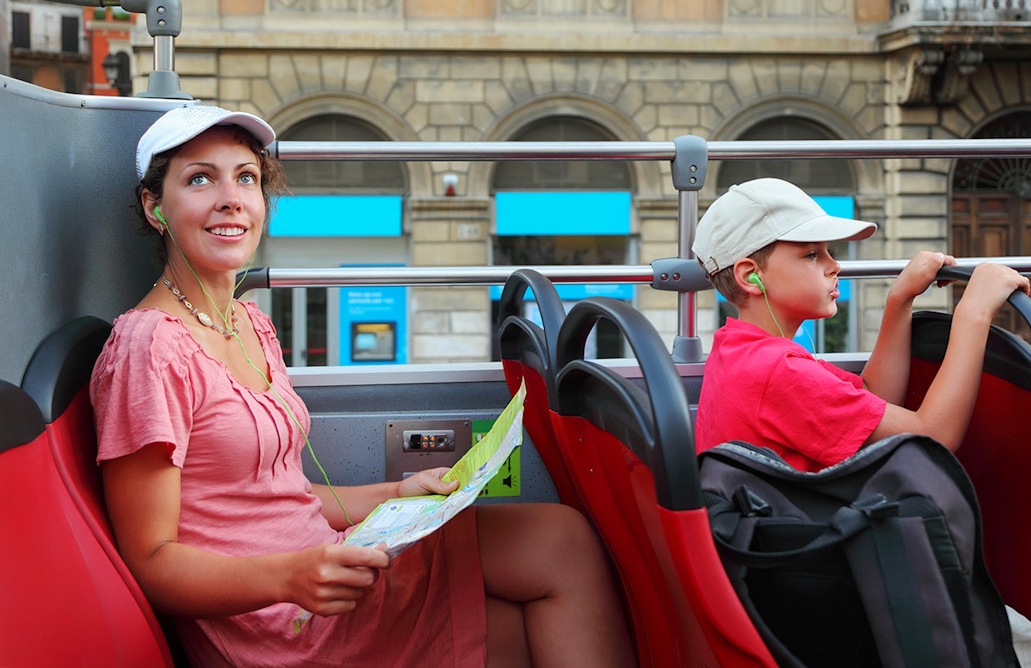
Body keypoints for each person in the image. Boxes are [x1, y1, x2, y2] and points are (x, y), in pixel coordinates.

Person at [90, 105, 636, 668]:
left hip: (325, 568)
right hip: (283, 619)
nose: (231, 197)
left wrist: (395, 495)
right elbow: (151, 561)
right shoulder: (149, 349)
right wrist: (290, 577)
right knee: (554, 557)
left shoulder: (248, 319)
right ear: (154, 207)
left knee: (554, 551)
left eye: (246, 177)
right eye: (200, 178)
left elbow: (283, 499)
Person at [690, 176, 1031, 665]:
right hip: (823, 586)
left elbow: (864, 405)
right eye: (812, 255)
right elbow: (934, 438)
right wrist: (973, 313)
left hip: (794, 569)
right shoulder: (778, 371)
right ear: (750, 276)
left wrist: (899, 302)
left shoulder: (745, 350)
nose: (834, 265)